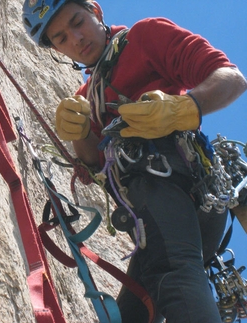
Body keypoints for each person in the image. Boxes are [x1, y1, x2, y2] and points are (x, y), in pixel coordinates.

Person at [22, 1, 247, 322]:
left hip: (175, 180)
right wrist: (79, 133)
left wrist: (184, 108)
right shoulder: (87, 97)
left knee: (172, 272)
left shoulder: (144, 37)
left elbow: (231, 78)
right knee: (134, 309)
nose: (75, 39)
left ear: (96, 12)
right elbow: (94, 170)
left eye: (77, 22)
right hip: (151, 211)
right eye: (60, 38)